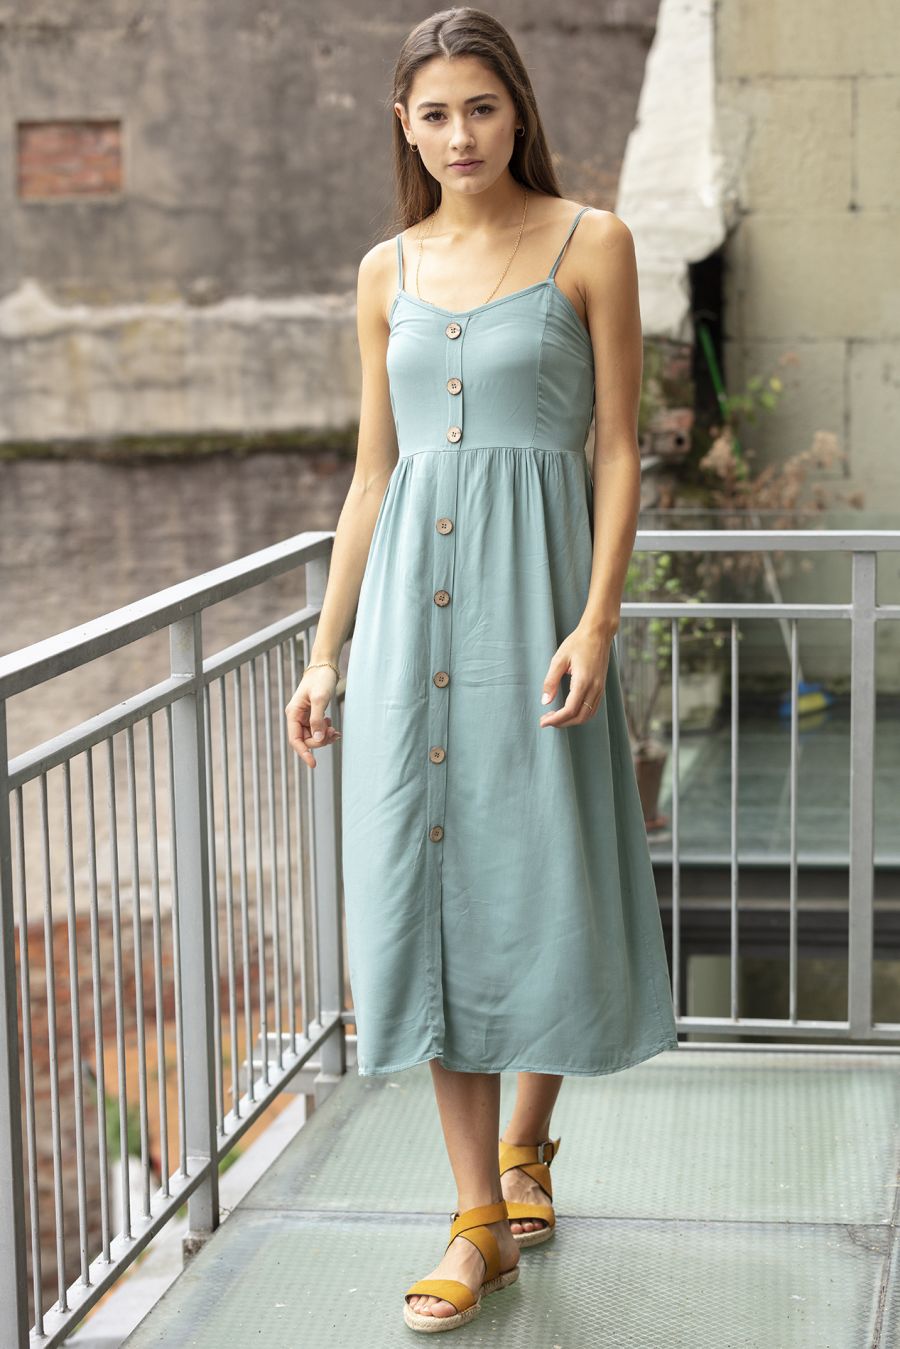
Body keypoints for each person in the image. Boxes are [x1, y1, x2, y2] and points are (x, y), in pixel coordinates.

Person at [285, 6, 679, 1333]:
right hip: (414, 627)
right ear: (404, 126)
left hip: (538, 616)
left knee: (541, 873)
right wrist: (328, 652)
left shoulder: (591, 242)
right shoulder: (384, 270)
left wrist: (597, 620)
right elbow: (372, 475)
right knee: (436, 884)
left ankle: (526, 1148)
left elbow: (617, 448)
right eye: (436, 113)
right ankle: (476, 1220)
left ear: (518, 111)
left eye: (482, 107)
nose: (461, 135)